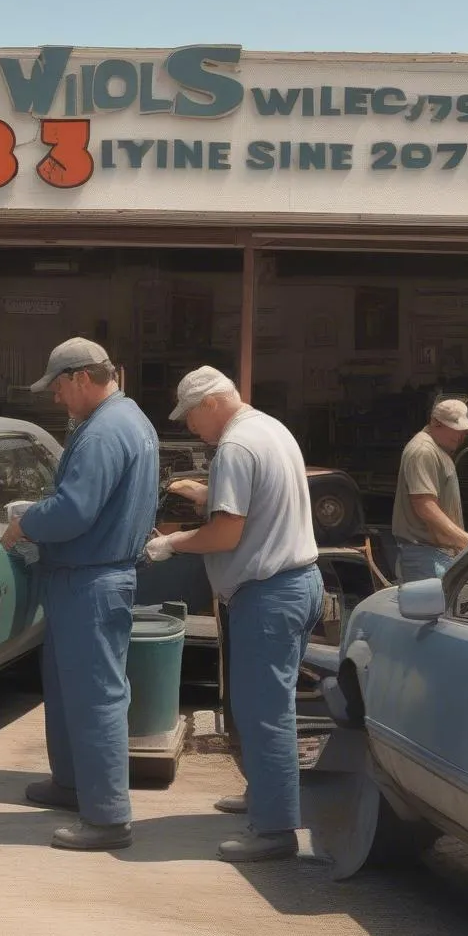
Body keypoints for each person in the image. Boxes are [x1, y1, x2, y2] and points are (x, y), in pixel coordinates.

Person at [145, 366, 324, 863]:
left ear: (210, 404)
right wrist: (207, 494)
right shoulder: (269, 428)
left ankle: (274, 830)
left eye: (191, 418)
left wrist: (171, 543)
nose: (190, 429)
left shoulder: (235, 448)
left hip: (269, 593)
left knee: (265, 714)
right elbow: (263, 501)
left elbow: (226, 535)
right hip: (296, 582)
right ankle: (265, 795)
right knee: (261, 707)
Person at [0, 337, 158, 852]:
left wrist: (25, 523)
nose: (56, 400)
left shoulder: (103, 432)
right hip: (89, 577)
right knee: (69, 691)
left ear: (82, 379)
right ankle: (71, 784)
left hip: (91, 579)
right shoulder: (129, 420)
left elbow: (72, 512)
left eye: (59, 388)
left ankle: (108, 818)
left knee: (94, 699)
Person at [392, 398, 468, 583]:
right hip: (425, 556)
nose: (461, 435)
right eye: (456, 430)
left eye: (464, 430)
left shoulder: (437, 449)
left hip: (434, 555)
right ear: (436, 423)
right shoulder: (423, 451)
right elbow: (424, 505)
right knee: (430, 611)